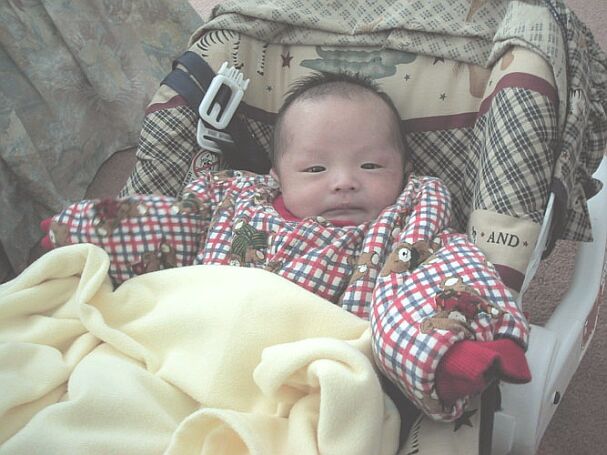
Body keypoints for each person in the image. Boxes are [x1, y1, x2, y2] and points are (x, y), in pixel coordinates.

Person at [40, 71, 531, 421]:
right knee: (91, 385)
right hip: (177, 345)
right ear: (277, 176)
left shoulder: (402, 225)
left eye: (371, 166)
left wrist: (452, 352)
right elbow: (171, 225)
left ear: (404, 170)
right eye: (315, 168)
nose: (344, 182)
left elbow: (429, 279)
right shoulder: (236, 199)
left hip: (287, 387)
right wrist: (80, 233)